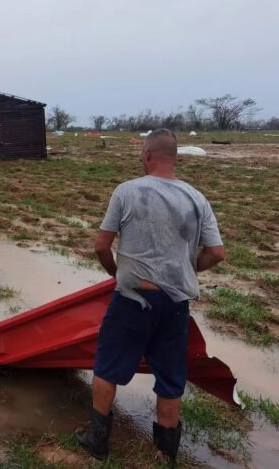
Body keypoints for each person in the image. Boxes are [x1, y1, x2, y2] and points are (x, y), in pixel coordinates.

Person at [74, 129, 225, 465]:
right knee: (171, 377)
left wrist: (115, 273)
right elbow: (216, 252)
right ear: (174, 157)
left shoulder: (127, 191)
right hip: (175, 305)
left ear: (146, 156)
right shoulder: (197, 198)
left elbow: (101, 245)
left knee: (108, 368)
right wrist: (186, 271)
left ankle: (97, 441)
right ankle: (165, 455)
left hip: (132, 300)